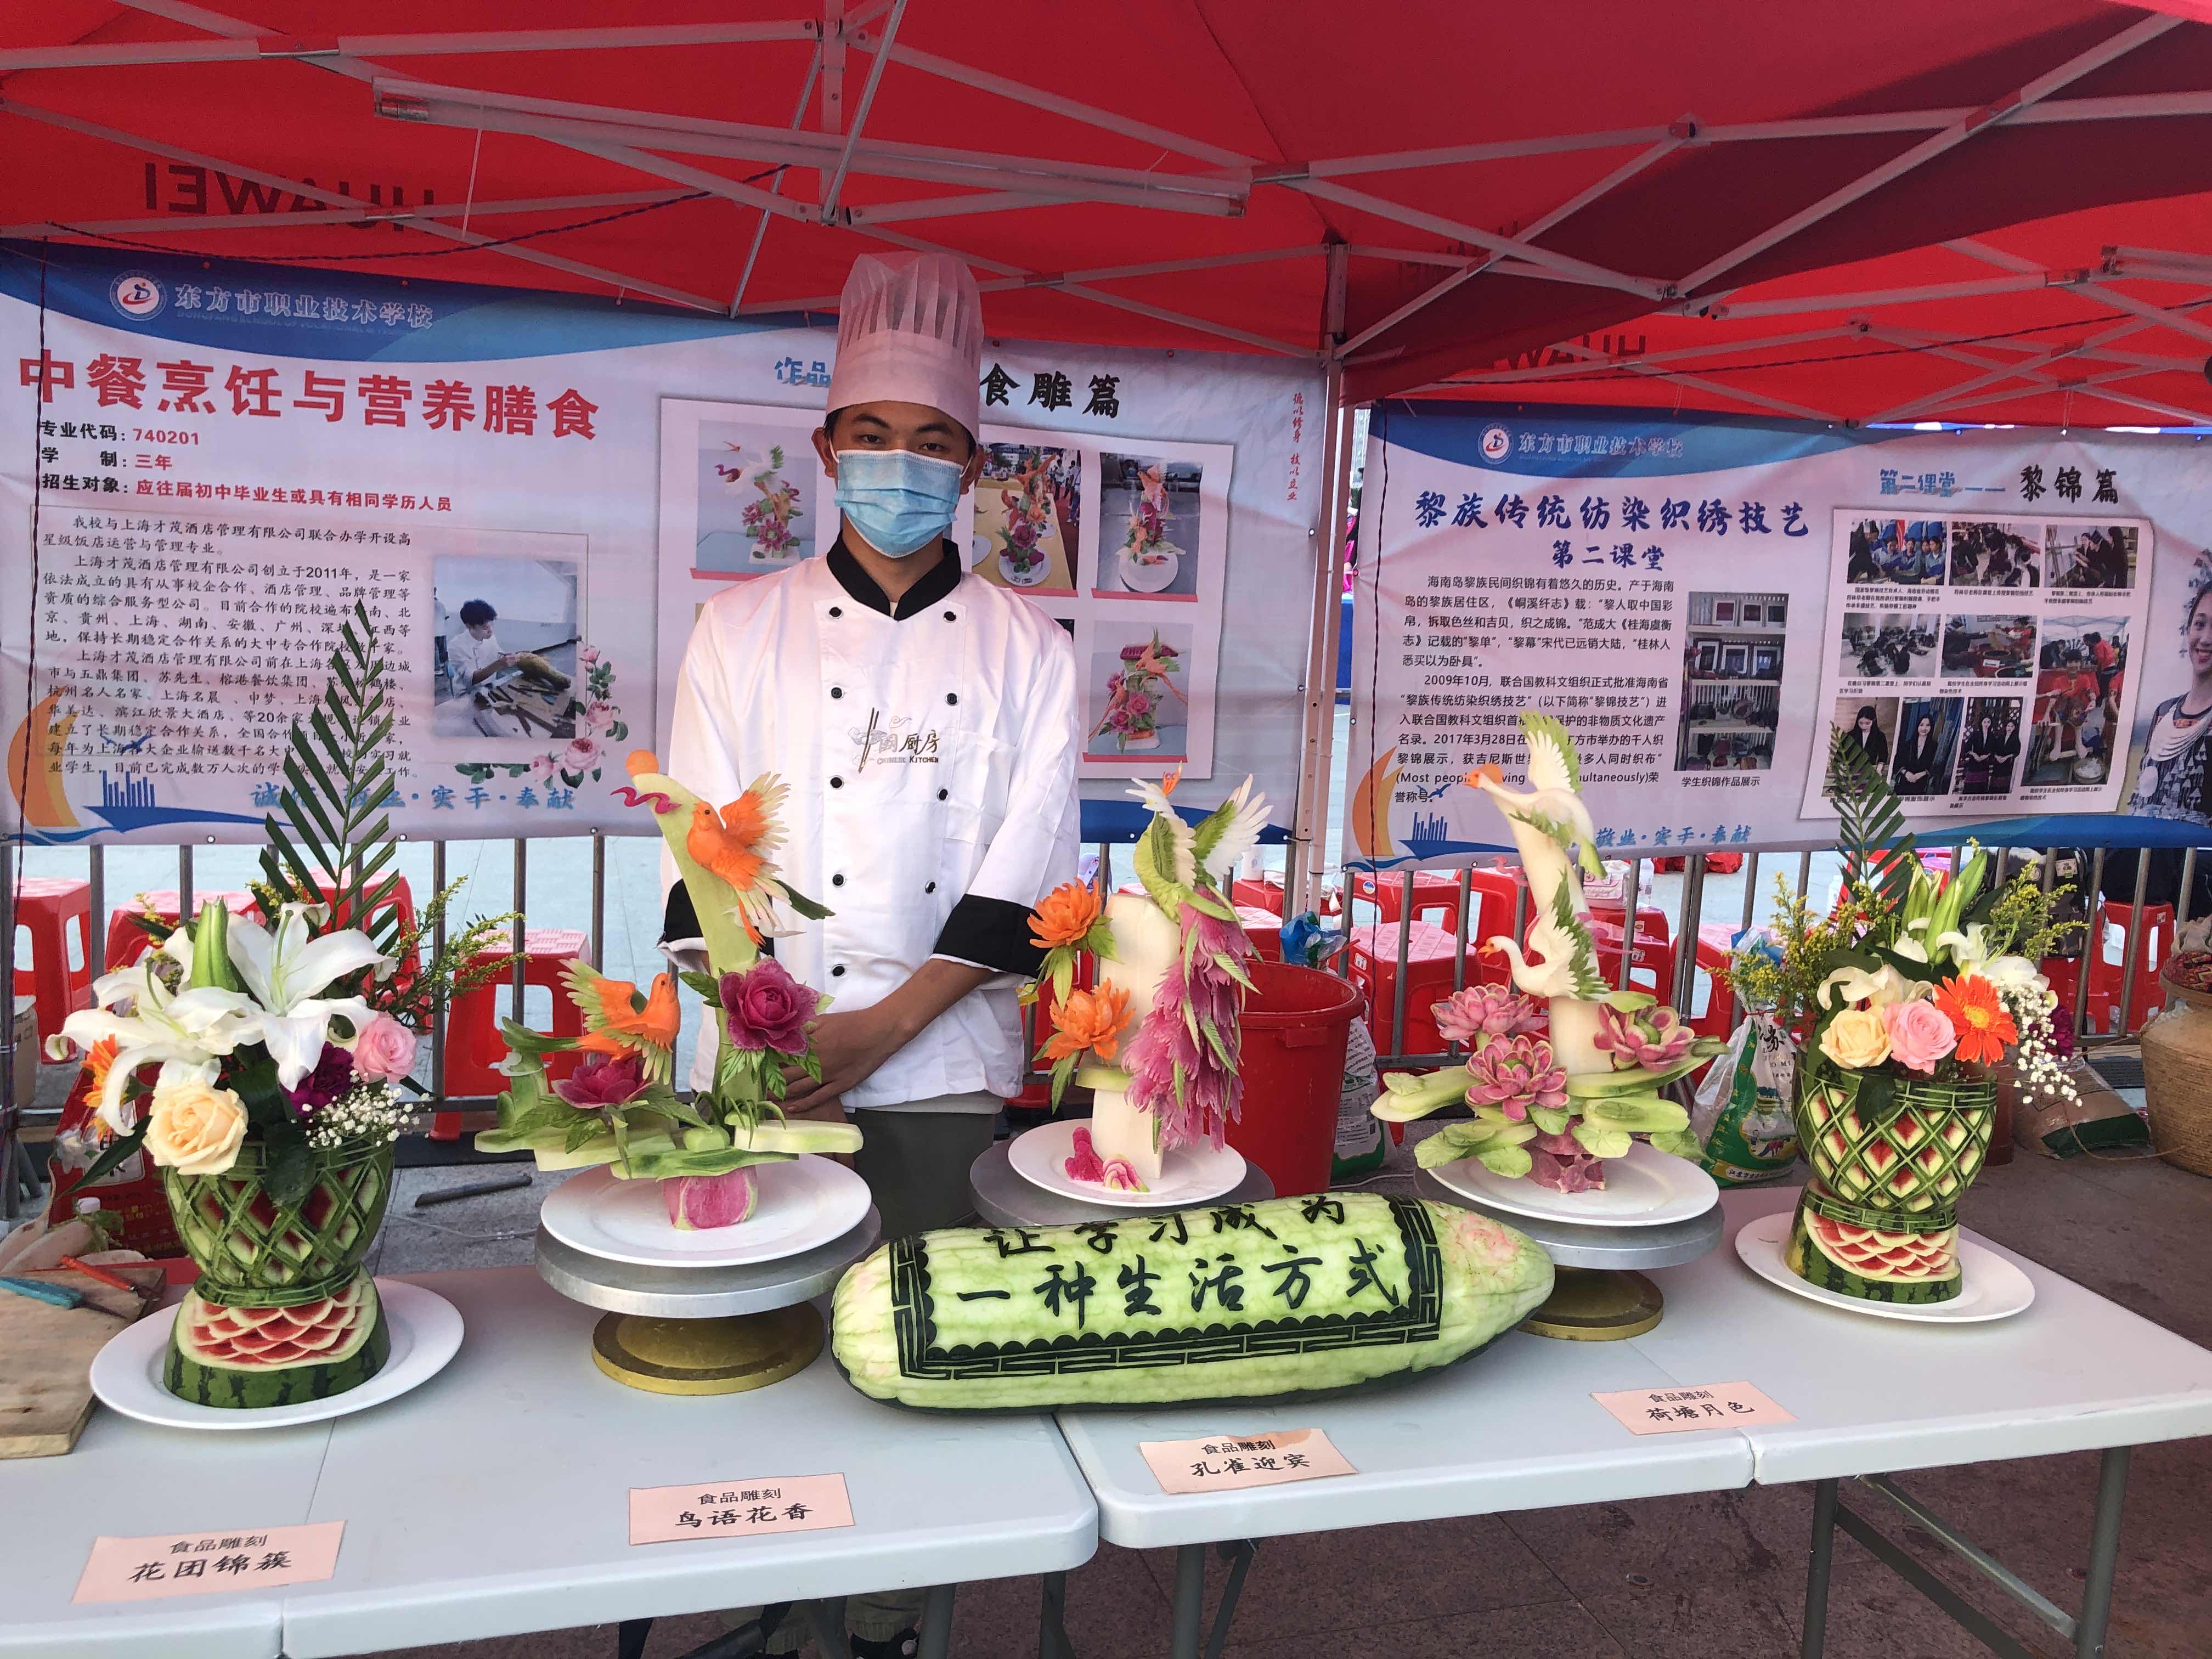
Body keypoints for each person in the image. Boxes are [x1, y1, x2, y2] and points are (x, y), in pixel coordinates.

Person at [665, 250, 1080, 1659]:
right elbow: (701, 852)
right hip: (767, 1061)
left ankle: (888, 1620)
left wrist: (880, 1030)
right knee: (766, 1339)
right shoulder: (739, 629)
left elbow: (1026, 873)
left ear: (973, 464)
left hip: (939, 1059)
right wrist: (775, 1032)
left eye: (933, 441)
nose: (901, 464)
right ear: (826, 446)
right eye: (874, 435)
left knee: (913, 1336)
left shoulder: (1031, 649)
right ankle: (772, 1589)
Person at [2129, 575, 2212, 825]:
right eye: (2200, 624)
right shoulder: (2164, 712)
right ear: (2188, 630)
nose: (2206, 639)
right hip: (2143, 846)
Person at [445, 599, 569, 736]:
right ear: (469, 626)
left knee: (505, 723)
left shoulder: (490, 637)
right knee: (476, 731)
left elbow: (498, 653)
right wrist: (500, 664)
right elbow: (471, 680)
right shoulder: (455, 646)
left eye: (492, 625)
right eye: (486, 628)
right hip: (467, 695)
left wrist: (517, 656)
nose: (491, 631)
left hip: (490, 687)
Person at [1892, 710, 1943, 796]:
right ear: (1917, 726)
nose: (1924, 728)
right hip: (1905, 782)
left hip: (1922, 784)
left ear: (1931, 727)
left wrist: (1922, 774)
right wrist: (1907, 773)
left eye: (1928, 725)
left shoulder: (1934, 746)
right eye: (1922, 725)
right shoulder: (1908, 744)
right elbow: (1897, 762)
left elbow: (1935, 765)